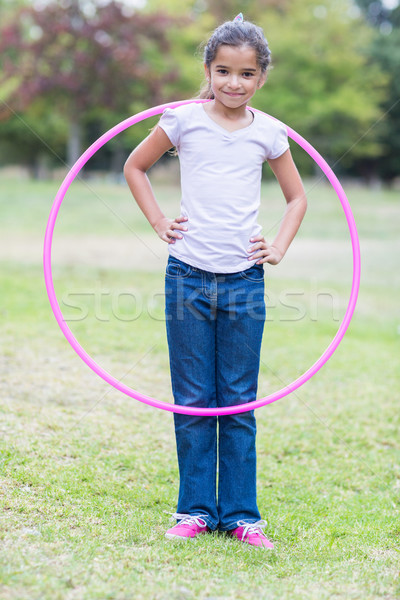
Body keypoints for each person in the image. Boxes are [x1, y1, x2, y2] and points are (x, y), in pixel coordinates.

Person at [123, 13, 307, 550]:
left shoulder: (270, 132)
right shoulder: (182, 120)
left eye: (246, 74)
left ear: (261, 78)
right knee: (195, 398)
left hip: (245, 280)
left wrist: (278, 245)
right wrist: (160, 222)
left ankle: (243, 515)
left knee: (238, 399)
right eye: (223, 70)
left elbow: (297, 197)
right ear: (208, 69)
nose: (234, 83)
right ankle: (195, 509)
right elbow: (135, 166)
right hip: (187, 277)